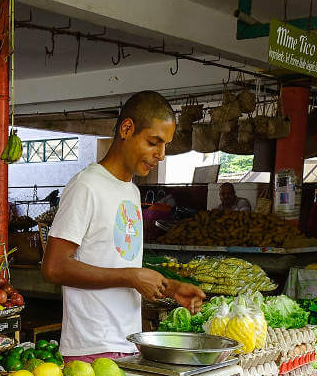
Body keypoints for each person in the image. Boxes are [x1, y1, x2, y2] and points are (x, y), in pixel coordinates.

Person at [42, 90, 205, 361]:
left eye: (165, 145)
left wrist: (171, 287)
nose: (161, 155)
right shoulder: (86, 186)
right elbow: (54, 267)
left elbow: (118, 263)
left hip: (128, 344)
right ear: (127, 129)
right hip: (91, 349)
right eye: (154, 142)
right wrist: (130, 277)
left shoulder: (131, 191)